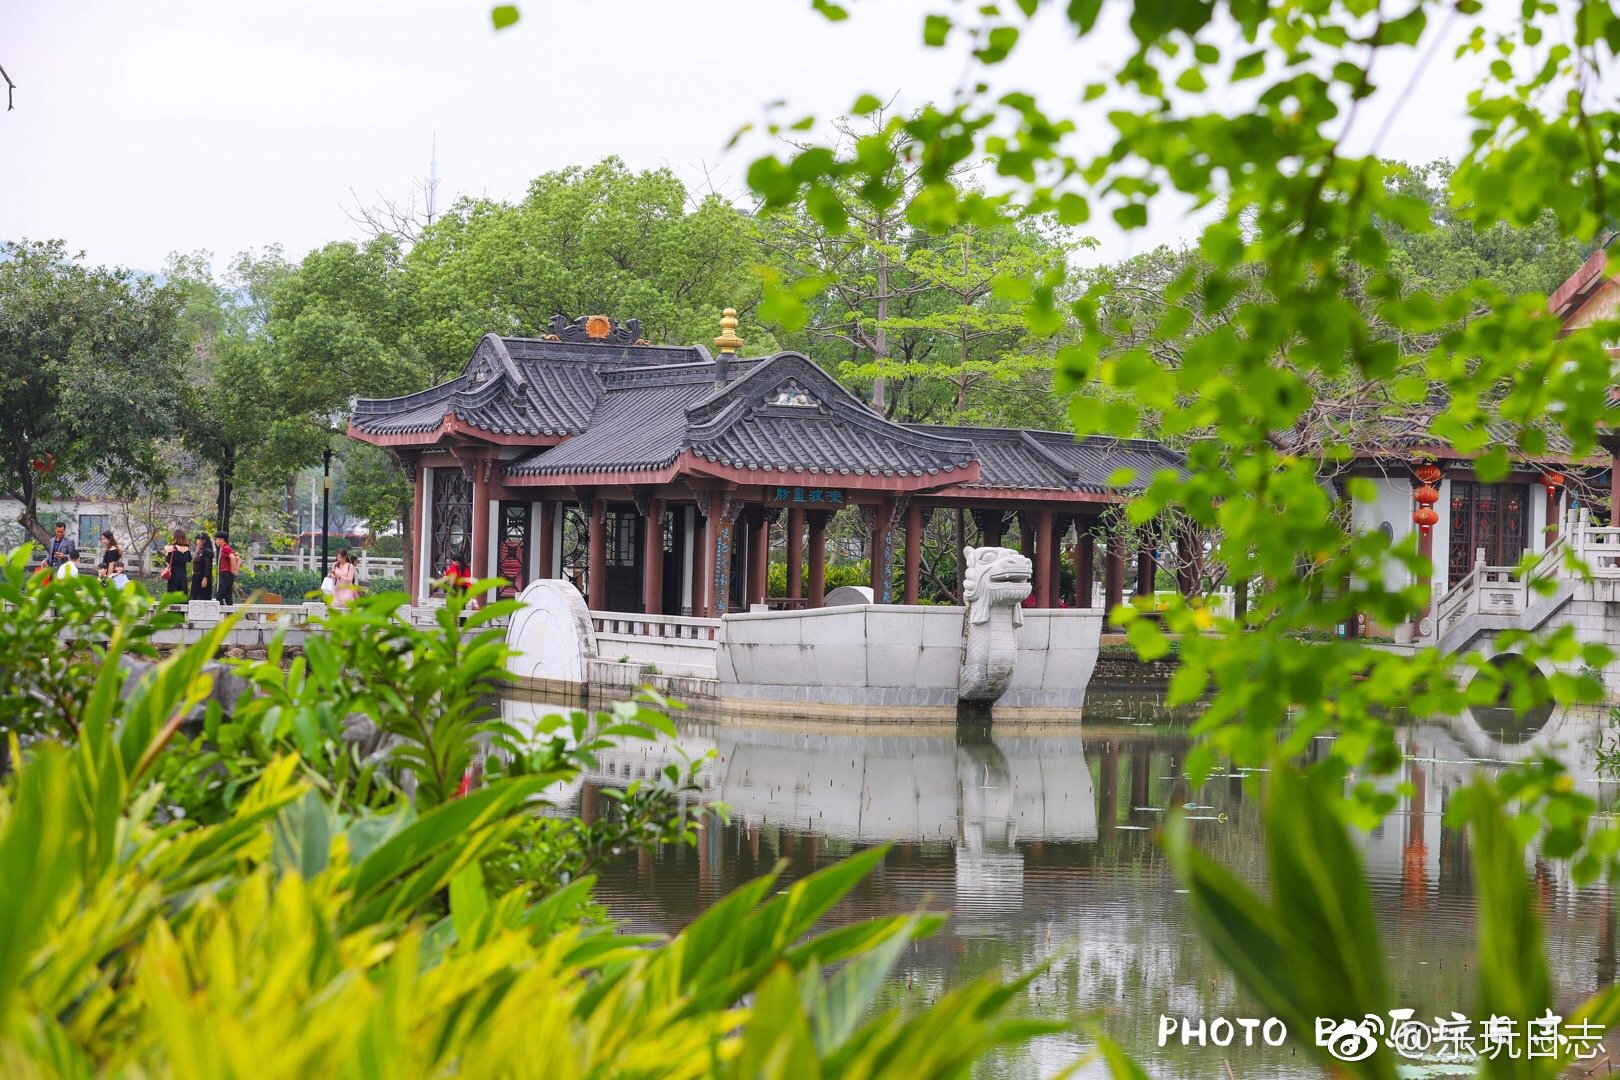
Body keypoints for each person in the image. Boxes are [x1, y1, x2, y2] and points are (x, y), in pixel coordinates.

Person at [162, 530, 192, 599]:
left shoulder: (172, 548)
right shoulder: (187, 549)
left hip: (174, 575)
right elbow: (189, 559)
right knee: (183, 595)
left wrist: (166, 550)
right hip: (183, 575)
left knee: (173, 596)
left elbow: (168, 561)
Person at [214, 531, 238, 605]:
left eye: (217, 539)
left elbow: (233, 557)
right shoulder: (225, 548)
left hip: (226, 574)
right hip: (226, 574)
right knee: (228, 596)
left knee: (219, 596)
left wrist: (232, 570)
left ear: (222, 539)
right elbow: (238, 559)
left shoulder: (225, 548)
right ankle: (229, 614)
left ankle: (221, 613)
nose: (216, 541)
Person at [191, 530, 214, 601]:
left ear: (203, 541)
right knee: (194, 597)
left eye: (198, 540)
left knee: (202, 597)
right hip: (196, 577)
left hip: (202, 577)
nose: (197, 541)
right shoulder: (199, 551)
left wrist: (205, 578)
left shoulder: (207, 551)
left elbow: (208, 566)